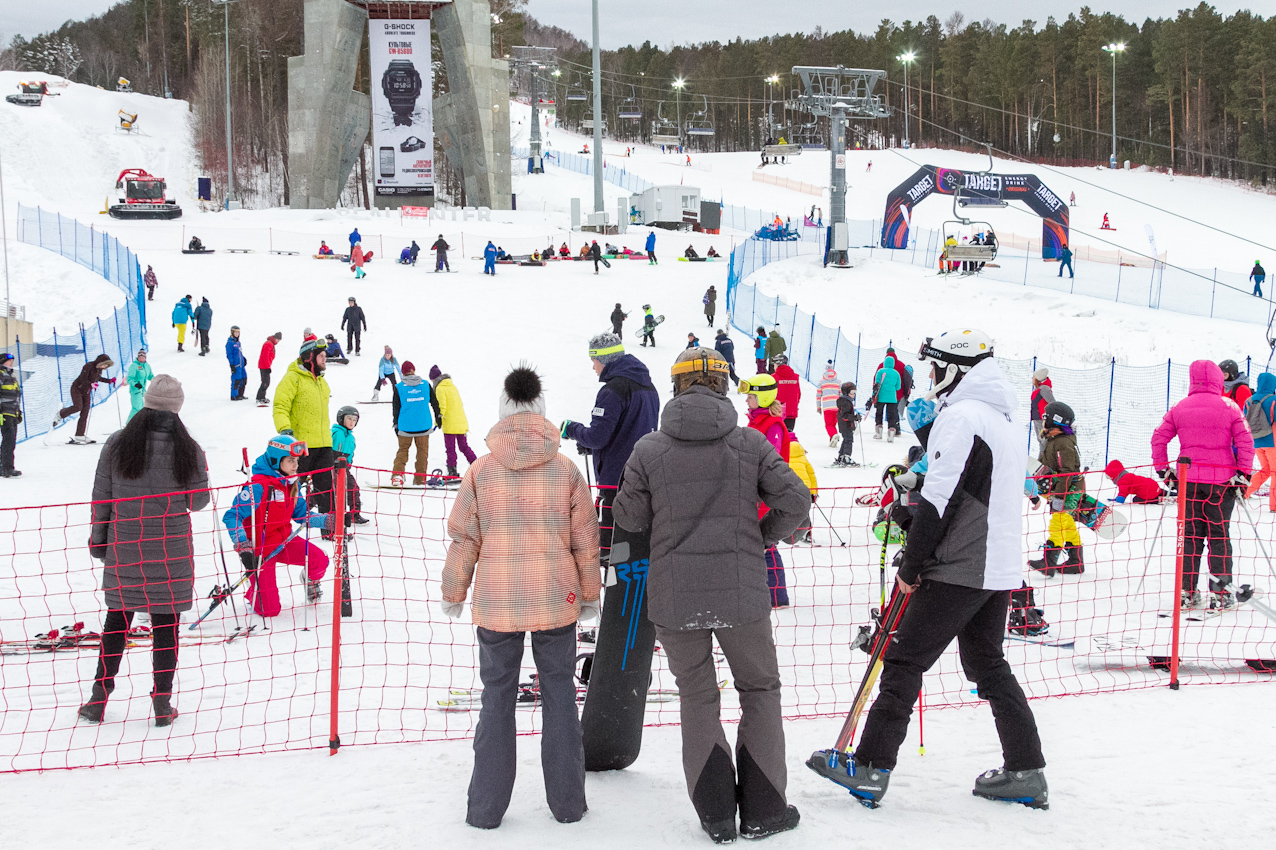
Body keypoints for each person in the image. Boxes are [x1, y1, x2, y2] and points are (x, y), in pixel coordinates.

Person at [809, 328, 1049, 809]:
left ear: (955, 369)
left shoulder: (961, 417)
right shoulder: (1000, 417)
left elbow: (940, 501)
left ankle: (871, 766)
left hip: (961, 565)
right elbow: (963, 494)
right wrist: (910, 514)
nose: (932, 376)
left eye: (936, 367)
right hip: (995, 565)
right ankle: (1026, 770)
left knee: (902, 660)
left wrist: (913, 563)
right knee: (987, 665)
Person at [614, 347, 808, 842]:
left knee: (697, 696)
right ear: (723, 386)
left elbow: (628, 517)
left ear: (676, 387)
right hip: (742, 592)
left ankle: (717, 815)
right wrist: (762, 538)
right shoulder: (749, 443)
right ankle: (765, 810)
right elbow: (796, 500)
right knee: (759, 690)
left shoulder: (649, 449)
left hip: (675, 596)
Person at [441, 365, 600, 830]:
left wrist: (454, 591)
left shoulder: (481, 470)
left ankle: (485, 810)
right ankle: (568, 805)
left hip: (497, 603)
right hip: (556, 598)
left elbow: (464, 538)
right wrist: (589, 594)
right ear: (541, 413)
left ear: (503, 412)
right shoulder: (565, 470)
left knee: (496, 698)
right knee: (560, 696)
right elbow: (586, 540)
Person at [79, 375, 209, 727]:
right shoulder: (189, 448)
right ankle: (162, 702)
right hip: (171, 551)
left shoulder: (118, 443)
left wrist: (98, 541)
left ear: (147, 403)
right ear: (177, 408)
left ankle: (98, 698)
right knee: (166, 626)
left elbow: (102, 497)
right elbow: (198, 501)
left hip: (126, 545)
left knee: (116, 621)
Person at [1152, 360, 1255, 609]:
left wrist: (1164, 471)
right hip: (1221, 482)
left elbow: (1158, 438)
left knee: (1190, 537)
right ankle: (1221, 594)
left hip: (1188, 481)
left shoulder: (1180, 407)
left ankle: (1187, 592)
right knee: (1219, 536)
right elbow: (1246, 442)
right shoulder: (1229, 406)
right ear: (1218, 379)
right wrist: (1243, 474)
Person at [560, 333, 660, 556]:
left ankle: (611, 569)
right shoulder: (648, 387)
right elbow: (631, 431)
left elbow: (598, 436)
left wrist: (572, 429)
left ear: (603, 360)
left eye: (594, 361)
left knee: (610, 549)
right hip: (644, 478)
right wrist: (593, 446)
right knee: (635, 547)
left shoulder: (612, 390)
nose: (593, 367)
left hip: (616, 482)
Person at [222, 433, 335, 616]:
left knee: (319, 560)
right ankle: (255, 590)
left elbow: (301, 515)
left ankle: (310, 580)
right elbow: (232, 516)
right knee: (269, 611)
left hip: (284, 541)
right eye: (290, 460)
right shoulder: (258, 486)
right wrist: (243, 544)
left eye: (296, 461)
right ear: (276, 460)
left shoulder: (291, 484)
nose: (295, 465)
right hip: (261, 551)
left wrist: (326, 520)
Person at [738, 372, 794, 608]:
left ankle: (777, 595)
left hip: (766, 494)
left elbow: (770, 462)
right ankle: (759, 590)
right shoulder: (756, 422)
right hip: (753, 492)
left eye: (750, 397)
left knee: (766, 543)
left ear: (762, 398)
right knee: (755, 542)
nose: (747, 401)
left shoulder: (773, 426)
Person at [273, 338, 335, 513]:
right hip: (301, 445)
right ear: (310, 357)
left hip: (324, 445)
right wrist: (284, 429)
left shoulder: (322, 382)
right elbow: (280, 406)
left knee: (327, 491)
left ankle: (329, 525)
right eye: (321, 356)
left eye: (325, 356)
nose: (325, 359)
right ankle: (282, 521)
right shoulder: (293, 378)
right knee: (292, 488)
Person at [1028, 402, 1086, 575]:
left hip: (1067, 491)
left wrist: (1060, 496)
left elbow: (1067, 472)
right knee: (1066, 524)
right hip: (1064, 489)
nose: (1043, 422)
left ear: (1055, 422)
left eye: (1045, 418)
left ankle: (1049, 562)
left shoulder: (1063, 444)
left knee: (1058, 523)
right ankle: (1076, 561)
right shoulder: (1054, 441)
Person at [391, 361, 439, 487]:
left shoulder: (399, 387)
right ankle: (420, 479)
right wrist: (438, 417)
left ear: (402, 373)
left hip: (405, 426)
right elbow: (434, 402)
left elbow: (396, 408)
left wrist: (395, 424)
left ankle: (397, 476)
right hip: (423, 425)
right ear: (414, 370)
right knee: (422, 453)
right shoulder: (425, 384)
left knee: (402, 451)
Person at [429, 365, 478, 479]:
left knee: (450, 449)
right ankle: (477, 466)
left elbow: (442, 407)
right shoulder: (452, 386)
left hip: (450, 424)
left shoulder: (440, 388)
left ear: (434, 379)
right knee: (464, 447)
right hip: (461, 422)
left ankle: (452, 472)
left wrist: (437, 422)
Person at [55, 354, 116, 443]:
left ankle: (79, 435)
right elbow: (83, 378)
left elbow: (98, 378)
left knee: (85, 412)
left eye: (106, 365)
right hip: (77, 388)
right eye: (104, 364)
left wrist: (109, 381)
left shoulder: (99, 369)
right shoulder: (89, 366)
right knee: (78, 407)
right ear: (100, 362)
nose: (105, 367)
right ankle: (61, 413)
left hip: (86, 391)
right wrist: (91, 384)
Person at [1244, 372, 1276, 510]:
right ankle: (1274, 505)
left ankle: (1244, 493)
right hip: (1272, 441)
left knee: (1266, 470)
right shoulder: (1273, 400)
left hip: (1256, 441)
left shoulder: (1249, 400)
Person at [331, 405, 367, 524]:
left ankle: (354, 514)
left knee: (353, 488)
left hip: (344, 468)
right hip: (332, 467)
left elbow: (350, 453)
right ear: (341, 419)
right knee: (329, 490)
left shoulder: (351, 437)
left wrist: (349, 463)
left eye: (354, 420)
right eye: (349, 419)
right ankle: (308, 507)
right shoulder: (336, 433)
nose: (352, 422)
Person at [870, 354, 902, 441]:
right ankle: (891, 435)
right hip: (892, 398)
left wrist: (874, 395)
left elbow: (877, 384)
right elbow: (898, 387)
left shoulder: (880, 371)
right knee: (891, 416)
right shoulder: (896, 373)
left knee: (879, 414)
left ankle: (879, 433)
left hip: (881, 397)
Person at [0, 353, 22, 477]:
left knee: (10, 440)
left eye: (12, 361)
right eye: (8, 361)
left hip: (12, 412)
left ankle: (5, 466)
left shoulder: (11, 376)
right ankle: (6, 468)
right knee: (8, 440)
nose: (11, 363)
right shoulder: (1, 374)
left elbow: (16, 395)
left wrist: (18, 411)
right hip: (5, 413)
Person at [832, 382, 861, 467]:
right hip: (846, 425)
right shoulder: (846, 402)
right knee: (849, 440)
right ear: (846, 392)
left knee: (846, 440)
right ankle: (846, 457)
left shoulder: (846, 401)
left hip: (845, 425)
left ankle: (841, 457)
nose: (854, 395)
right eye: (852, 392)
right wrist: (855, 417)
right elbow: (845, 416)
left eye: (855, 392)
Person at [773, 354, 801, 431]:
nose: (773, 367)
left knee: (777, 434)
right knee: (788, 434)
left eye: (774, 364)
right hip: (791, 412)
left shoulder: (773, 378)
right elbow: (798, 394)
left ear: (778, 364)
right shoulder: (795, 377)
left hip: (777, 412)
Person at [125, 349, 153, 421]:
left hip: (143, 391)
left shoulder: (147, 366)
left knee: (142, 408)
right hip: (135, 390)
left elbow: (150, 376)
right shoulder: (134, 366)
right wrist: (135, 384)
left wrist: (156, 380)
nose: (141, 359)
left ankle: (139, 423)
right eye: (140, 357)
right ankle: (128, 424)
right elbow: (129, 379)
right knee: (136, 408)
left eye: (143, 357)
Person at [817, 361, 840, 446]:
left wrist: (818, 406)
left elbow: (818, 395)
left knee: (828, 424)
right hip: (837, 406)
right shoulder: (838, 382)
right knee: (833, 424)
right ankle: (832, 439)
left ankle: (834, 435)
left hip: (827, 407)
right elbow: (841, 394)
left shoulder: (821, 382)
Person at [256, 332, 282, 406]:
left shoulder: (270, 343)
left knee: (266, 382)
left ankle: (262, 397)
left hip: (265, 366)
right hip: (264, 366)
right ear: (275, 338)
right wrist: (267, 367)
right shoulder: (269, 344)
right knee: (265, 383)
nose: (278, 341)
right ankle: (259, 398)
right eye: (278, 340)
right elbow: (265, 356)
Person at [1030, 367, 1055, 444]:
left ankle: (1045, 452)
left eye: (1034, 377)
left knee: (1044, 440)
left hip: (1042, 419)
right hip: (1037, 418)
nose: (1032, 379)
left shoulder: (1044, 389)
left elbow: (1052, 403)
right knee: (1041, 440)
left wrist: (1047, 416)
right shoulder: (1039, 388)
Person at [226, 326, 248, 401]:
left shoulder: (238, 342)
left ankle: (240, 394)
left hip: (241, 365)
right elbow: (229, 355)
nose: (237, 334)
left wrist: (243, 359)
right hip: (236, 365)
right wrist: (232, 365)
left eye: (238, 332)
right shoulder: (230, 343)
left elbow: (239, 353)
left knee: (244, 379)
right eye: (235, 332)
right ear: (232, 333)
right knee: (236, 380)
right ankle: (234, 395)